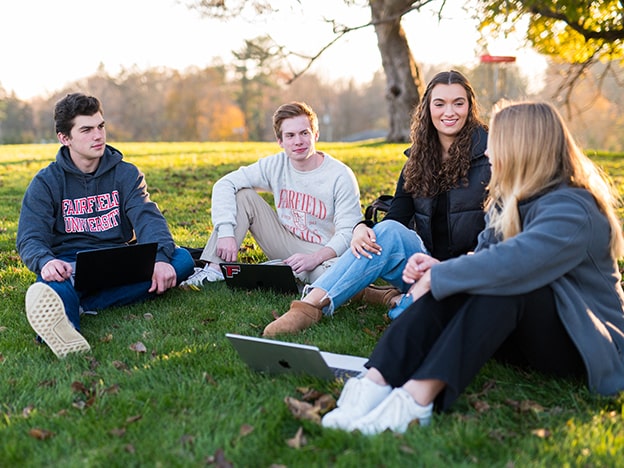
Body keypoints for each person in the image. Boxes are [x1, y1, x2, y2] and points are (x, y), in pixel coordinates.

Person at [320, 101, 624, 435]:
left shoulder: (573, 208)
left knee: (503, 287)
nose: (488, 152)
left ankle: (414, 401)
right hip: (520, 337)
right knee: (460, 283)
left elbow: (516, 262)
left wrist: (441, 275)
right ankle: (373, 383)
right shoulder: (507, 199)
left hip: (582, 344)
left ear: (521, 147)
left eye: (496, 143)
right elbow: (483, 258)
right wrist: (439, 268)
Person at [263, 70, 490, 337]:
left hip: (468, 272)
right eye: (439, 104)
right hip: (420, 264)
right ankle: (309, 307)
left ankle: (410, 305)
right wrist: (362, 227)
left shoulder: (490, 155)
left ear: (470, 107)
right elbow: (395, 220)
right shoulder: (418, 160)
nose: (448, 112)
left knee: (417, 315)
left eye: (458, 103)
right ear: (428, 108)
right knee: (387, 232)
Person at [17, 93, 195, 358]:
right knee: (50, 280)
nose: (98, 135)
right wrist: (45, 261)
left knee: (181, 260)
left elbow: (148, 218)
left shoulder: (126, 173)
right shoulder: (46, 182)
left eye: (101, 126)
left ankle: (75, 303)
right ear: (65, 138)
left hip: (118, 258)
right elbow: (30, 237)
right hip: (70, 263)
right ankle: (66, 330)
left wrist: (159, 259)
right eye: (86, 130)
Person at [179, 101, 362, 289]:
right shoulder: (275, 165)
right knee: (244, 196)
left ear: (315, 135)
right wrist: (225, 233)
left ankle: (280, 271)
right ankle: (215, 269)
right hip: (284, 240)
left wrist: (314, 258)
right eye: (290, 135)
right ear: (280, 141)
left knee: (336, 272)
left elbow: (349, 231)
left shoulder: (340, 175)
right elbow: (224, 184)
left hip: (324, 251)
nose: (298, 141)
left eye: (304, 133)